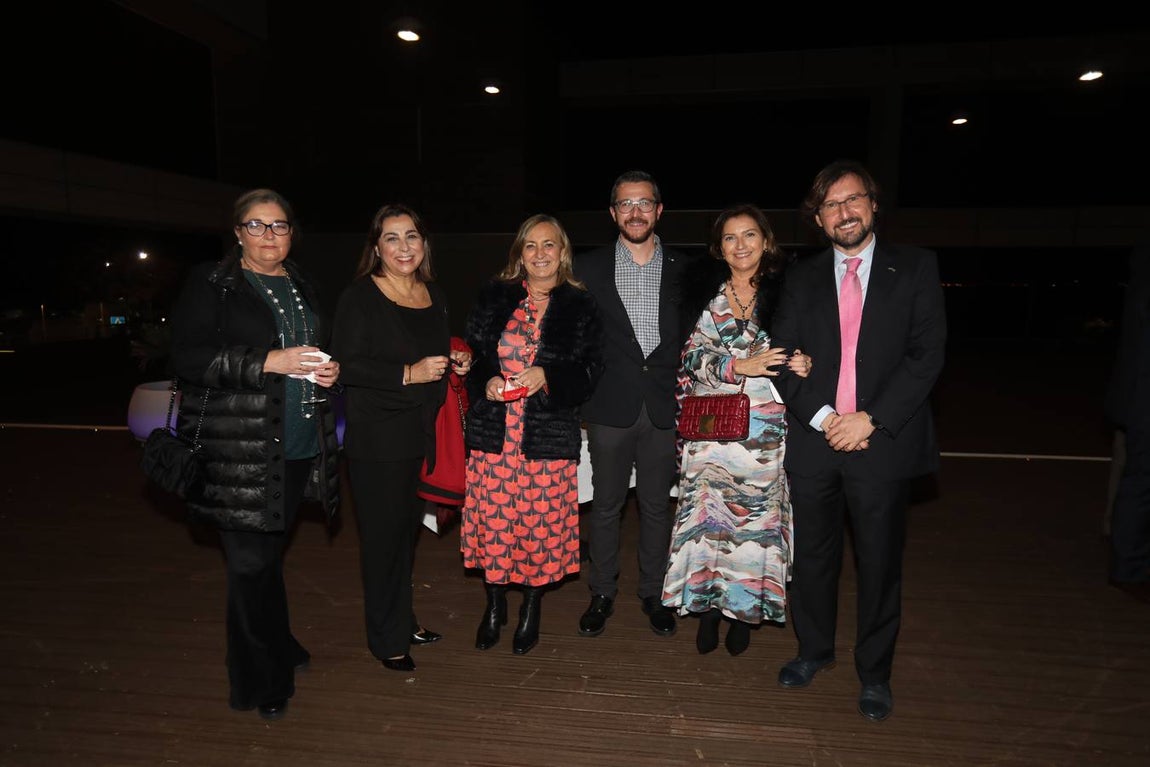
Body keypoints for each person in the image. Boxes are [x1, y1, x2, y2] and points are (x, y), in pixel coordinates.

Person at [770, 160, 947, 722]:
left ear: (873, 205)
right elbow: (783, 359)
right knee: (815, 558)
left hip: (881, 441)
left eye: (853, 200)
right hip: (816, 441)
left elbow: (927, 356)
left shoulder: (915, 268)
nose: (843, 212)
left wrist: (869, 419)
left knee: (878, 564)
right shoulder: (800, 278)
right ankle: (813, 650)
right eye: (830, 206)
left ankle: (874, 673)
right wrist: (825, 417)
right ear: (817, 220)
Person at [168, 188, 342, 720]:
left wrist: (328, 373)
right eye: (257, 225)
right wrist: (269, 360)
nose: (270, 235)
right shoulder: (213, 282)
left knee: (266, 559)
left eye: (280, 225)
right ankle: (259, 679)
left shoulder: (301, 283)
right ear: (238, 232)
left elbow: (308, 353)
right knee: (248, 565)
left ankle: (280, 646)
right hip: (236, 449)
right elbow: (188, 355)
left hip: (293, 445)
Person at [663, 204, 812, 656]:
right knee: (709, 523)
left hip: (763, 435)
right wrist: (736, 365)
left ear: (765, 241)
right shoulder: (704, 295)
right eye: (730, 238)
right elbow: (688, 359)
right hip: (709, 430)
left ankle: (744, 612)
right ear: (718, 247)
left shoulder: (790, 292)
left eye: (749, 235)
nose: (741, 245)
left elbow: (810, 347)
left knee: (753, 529)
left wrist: (806, 362)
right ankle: (707, 610)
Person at [330, 204, 472, 673]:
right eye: (392, 238)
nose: (404, 246)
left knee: (405, 539)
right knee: (382, 542)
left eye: (411, 236)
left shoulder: (433, 294)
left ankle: (403, 618)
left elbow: (437, 345)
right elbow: (345, 366)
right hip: (379, 441)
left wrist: (457, 358)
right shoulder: (360, 297)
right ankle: (386, 639)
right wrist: (406, 373)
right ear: (376, 247)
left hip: (424, 435)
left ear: (424, 244)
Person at [461, 214, 603, 655]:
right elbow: (475, 353)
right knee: (496, 525)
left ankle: (531, 608)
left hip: (546, 437)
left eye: (549, 246)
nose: (540, 255)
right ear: (519, 253)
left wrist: (549, 375)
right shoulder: (494, 296)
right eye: (531, 246)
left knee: (539, 529)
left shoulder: (581, 305)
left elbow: (590, 372)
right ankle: (494, 605)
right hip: (494, 436)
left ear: (562, 252)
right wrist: (483, 379)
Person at [573, 170, 686, 638]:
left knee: (658, 507)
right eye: (625, 204)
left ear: (659, 210)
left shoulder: (686, 267)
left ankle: (653, 594)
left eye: (644, 203)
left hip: (664, 408)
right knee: (605, 506)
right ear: (613, 213)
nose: (635, 212)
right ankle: (601, 593)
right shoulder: (587, 269)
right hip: (608, 408)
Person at [1104, 239, 1150, 603]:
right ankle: (1129, 568)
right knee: (1141, 483)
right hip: (1143, 399)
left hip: (1137, 397)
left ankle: (1129, 563)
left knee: (1137, 480)